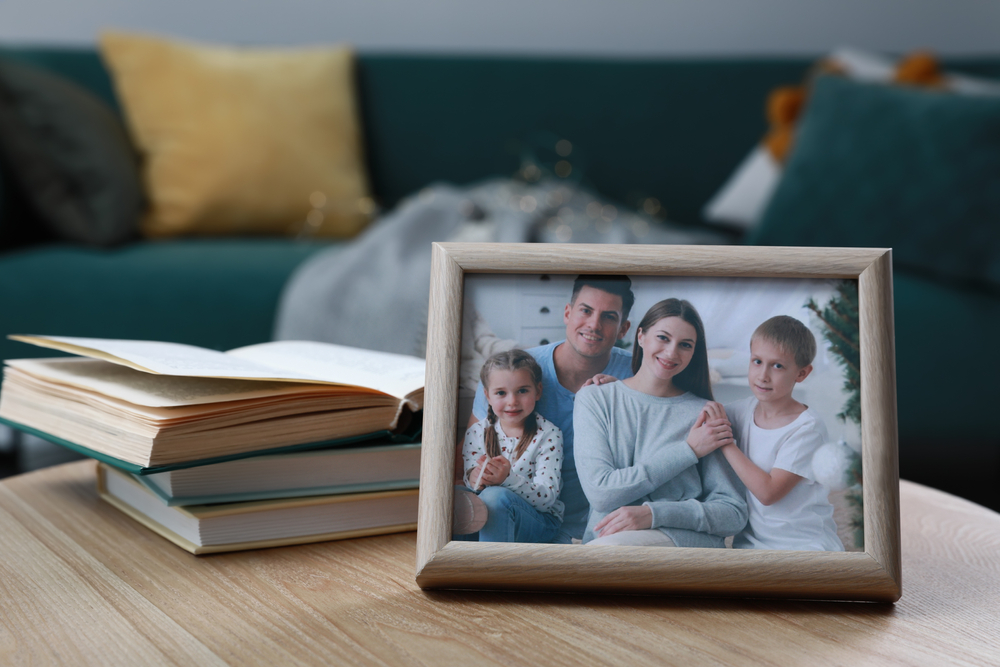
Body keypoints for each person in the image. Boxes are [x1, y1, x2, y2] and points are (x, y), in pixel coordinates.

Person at [467, 275, 636, 543]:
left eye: (608, 317)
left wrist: (625, 398)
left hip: (593, 522)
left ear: (624, 328)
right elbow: (469, 458)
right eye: (586, 310)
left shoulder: (638, 374)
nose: (594, 324)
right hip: (517, 512)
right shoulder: (511, 376)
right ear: (568, 313)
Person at [574, 298, 747, 547]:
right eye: (663, 338)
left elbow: (733, 513)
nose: (671, 352)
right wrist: (688, 451)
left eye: (685, 345)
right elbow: (601, 494)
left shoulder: (704, 414)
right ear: (641, 336)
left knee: (609, 550)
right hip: (607, 542)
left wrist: (653, 514)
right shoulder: (596, 398)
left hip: (680, 543)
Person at [716, 315, 844, 551]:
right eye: (757, 361)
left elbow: (768, 493)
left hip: (803, 545)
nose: (763, 375)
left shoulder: (807, 429)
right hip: (750, 545)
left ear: (801, 374)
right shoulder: (742, 411)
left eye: (777, 366)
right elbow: (704, 415)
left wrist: (725, 443)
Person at [456, 349, 564, 542]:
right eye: (501, 393)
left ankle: (491, 560)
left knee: (494, 497)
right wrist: (475, 477)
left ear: (538, 391)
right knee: (454, 497)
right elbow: (471, 480)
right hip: (489, 513)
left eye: (522, 391)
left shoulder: (548, 435)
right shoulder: (477, 432)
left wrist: (507, 479)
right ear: (487, 396)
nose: (512, 401)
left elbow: (546, 499)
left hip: (540, 521)